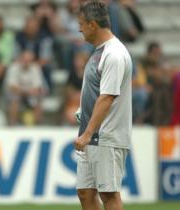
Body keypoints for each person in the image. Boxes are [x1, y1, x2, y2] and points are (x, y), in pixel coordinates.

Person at [73, 1, 132, 210]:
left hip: (106, 136)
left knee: (109, 194)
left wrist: (88, 133)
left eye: (81, 24)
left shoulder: (114, 54)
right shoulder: (100, 51)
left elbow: (107, 97)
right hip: (93, 137)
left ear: (93, 25)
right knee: (85, 193)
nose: (79, 29)